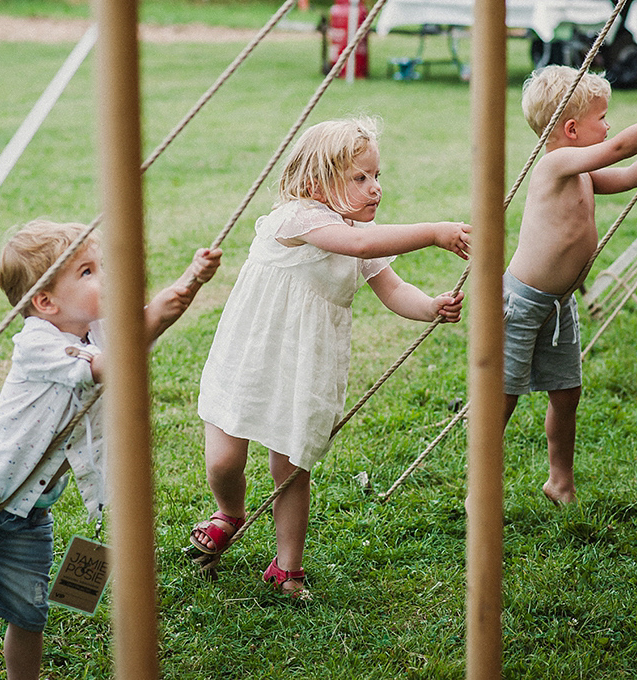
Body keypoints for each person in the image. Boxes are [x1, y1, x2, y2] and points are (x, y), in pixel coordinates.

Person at [0, 220, 222, 680]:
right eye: (87, 271)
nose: (106, 277)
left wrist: (191, 280)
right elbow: (111, 363)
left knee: (29, 614)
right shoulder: (37, 343)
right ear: (45, 302)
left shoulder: (97, 331)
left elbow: (147, 321)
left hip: (31, 513)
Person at [190, 117, 470, 599]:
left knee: (292, 464)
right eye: (359, 178)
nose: (375, 189)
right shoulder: (295, 219)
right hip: (251, 353)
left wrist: (429, 308)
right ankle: (228, 511)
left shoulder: (361, 236)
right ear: (315, 182)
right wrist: (434, 231)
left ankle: (287, 567)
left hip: (306, 364)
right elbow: (358, 243)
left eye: (377, 176)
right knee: (224, 458)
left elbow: (394, 289)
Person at [504, 66, 637, 504]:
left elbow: (627, 176)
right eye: (601, 118)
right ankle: (481, 485)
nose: (608, 126)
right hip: (522, 304)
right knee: (501, 400)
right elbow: (620, 149)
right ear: (570, 128)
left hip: (559, 306)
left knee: (567, 394)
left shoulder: (582, 170)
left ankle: (559, 480)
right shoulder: (555, 165)